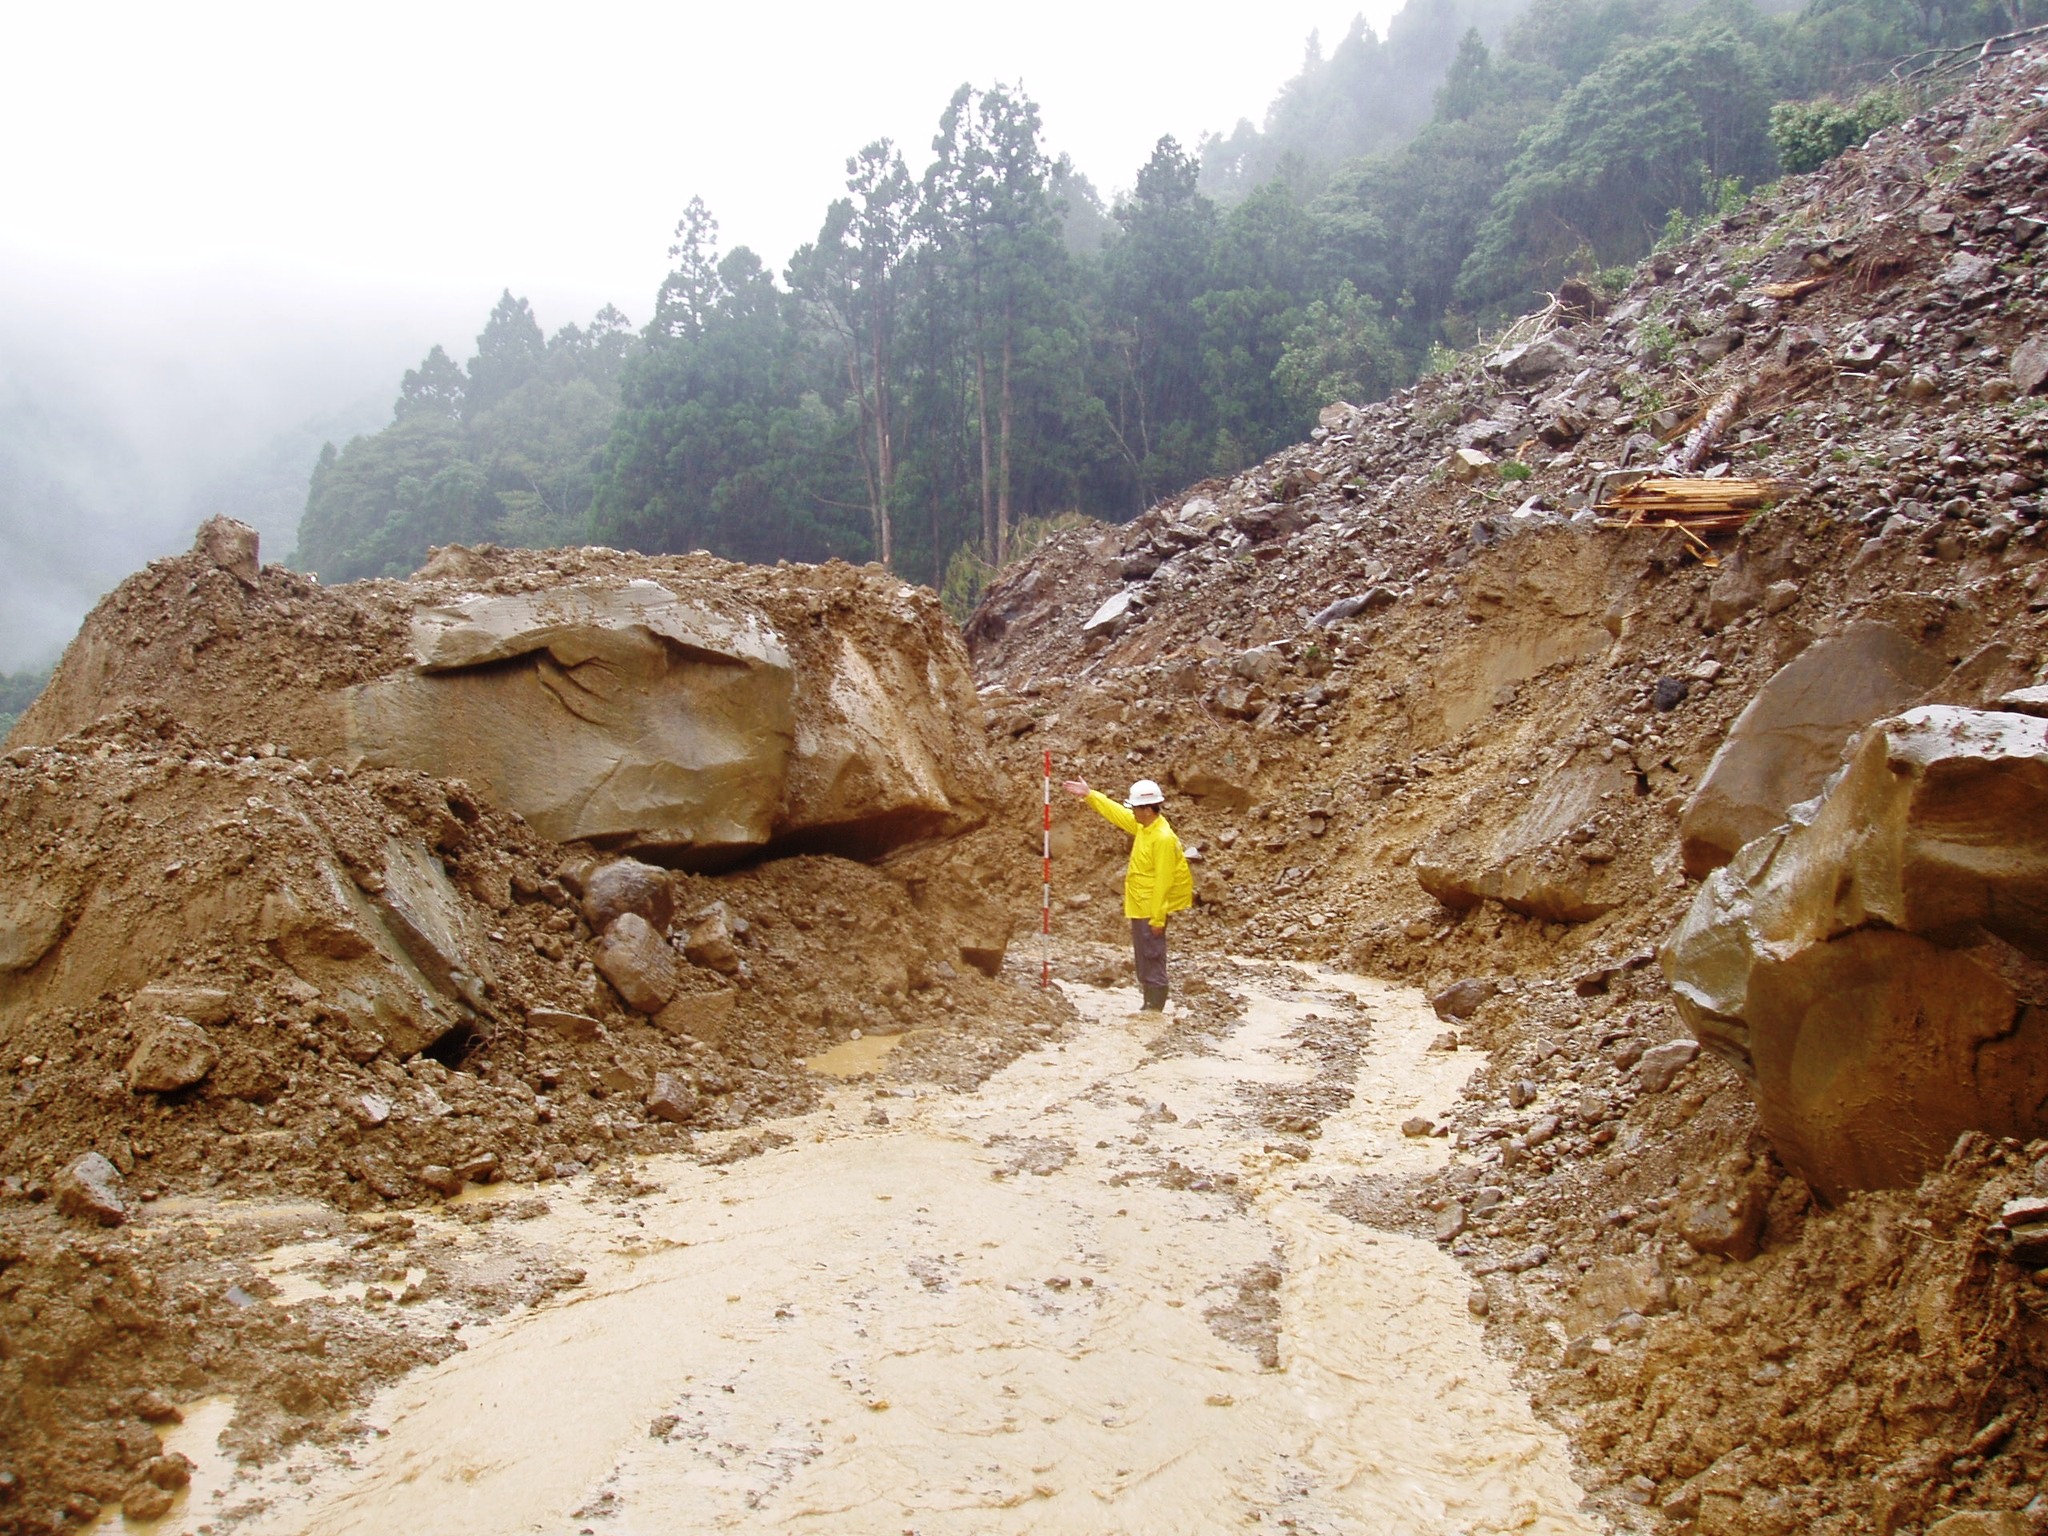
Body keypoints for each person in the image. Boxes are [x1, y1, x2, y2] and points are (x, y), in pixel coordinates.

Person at [1063, 776, 1193, 1012]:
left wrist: (1157, 918)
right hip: (1140, 905)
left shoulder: (1162, 838)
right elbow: (1117, 814)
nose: (1131, 811)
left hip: (1150, 909)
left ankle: (1154, 1009)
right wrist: (1091, 795)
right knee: (1144, 958)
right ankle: (1149, 1004)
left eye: (1134, 808)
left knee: (1152, 956)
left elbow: (1164, 881)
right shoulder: (1145, 827)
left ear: (1146, 809)